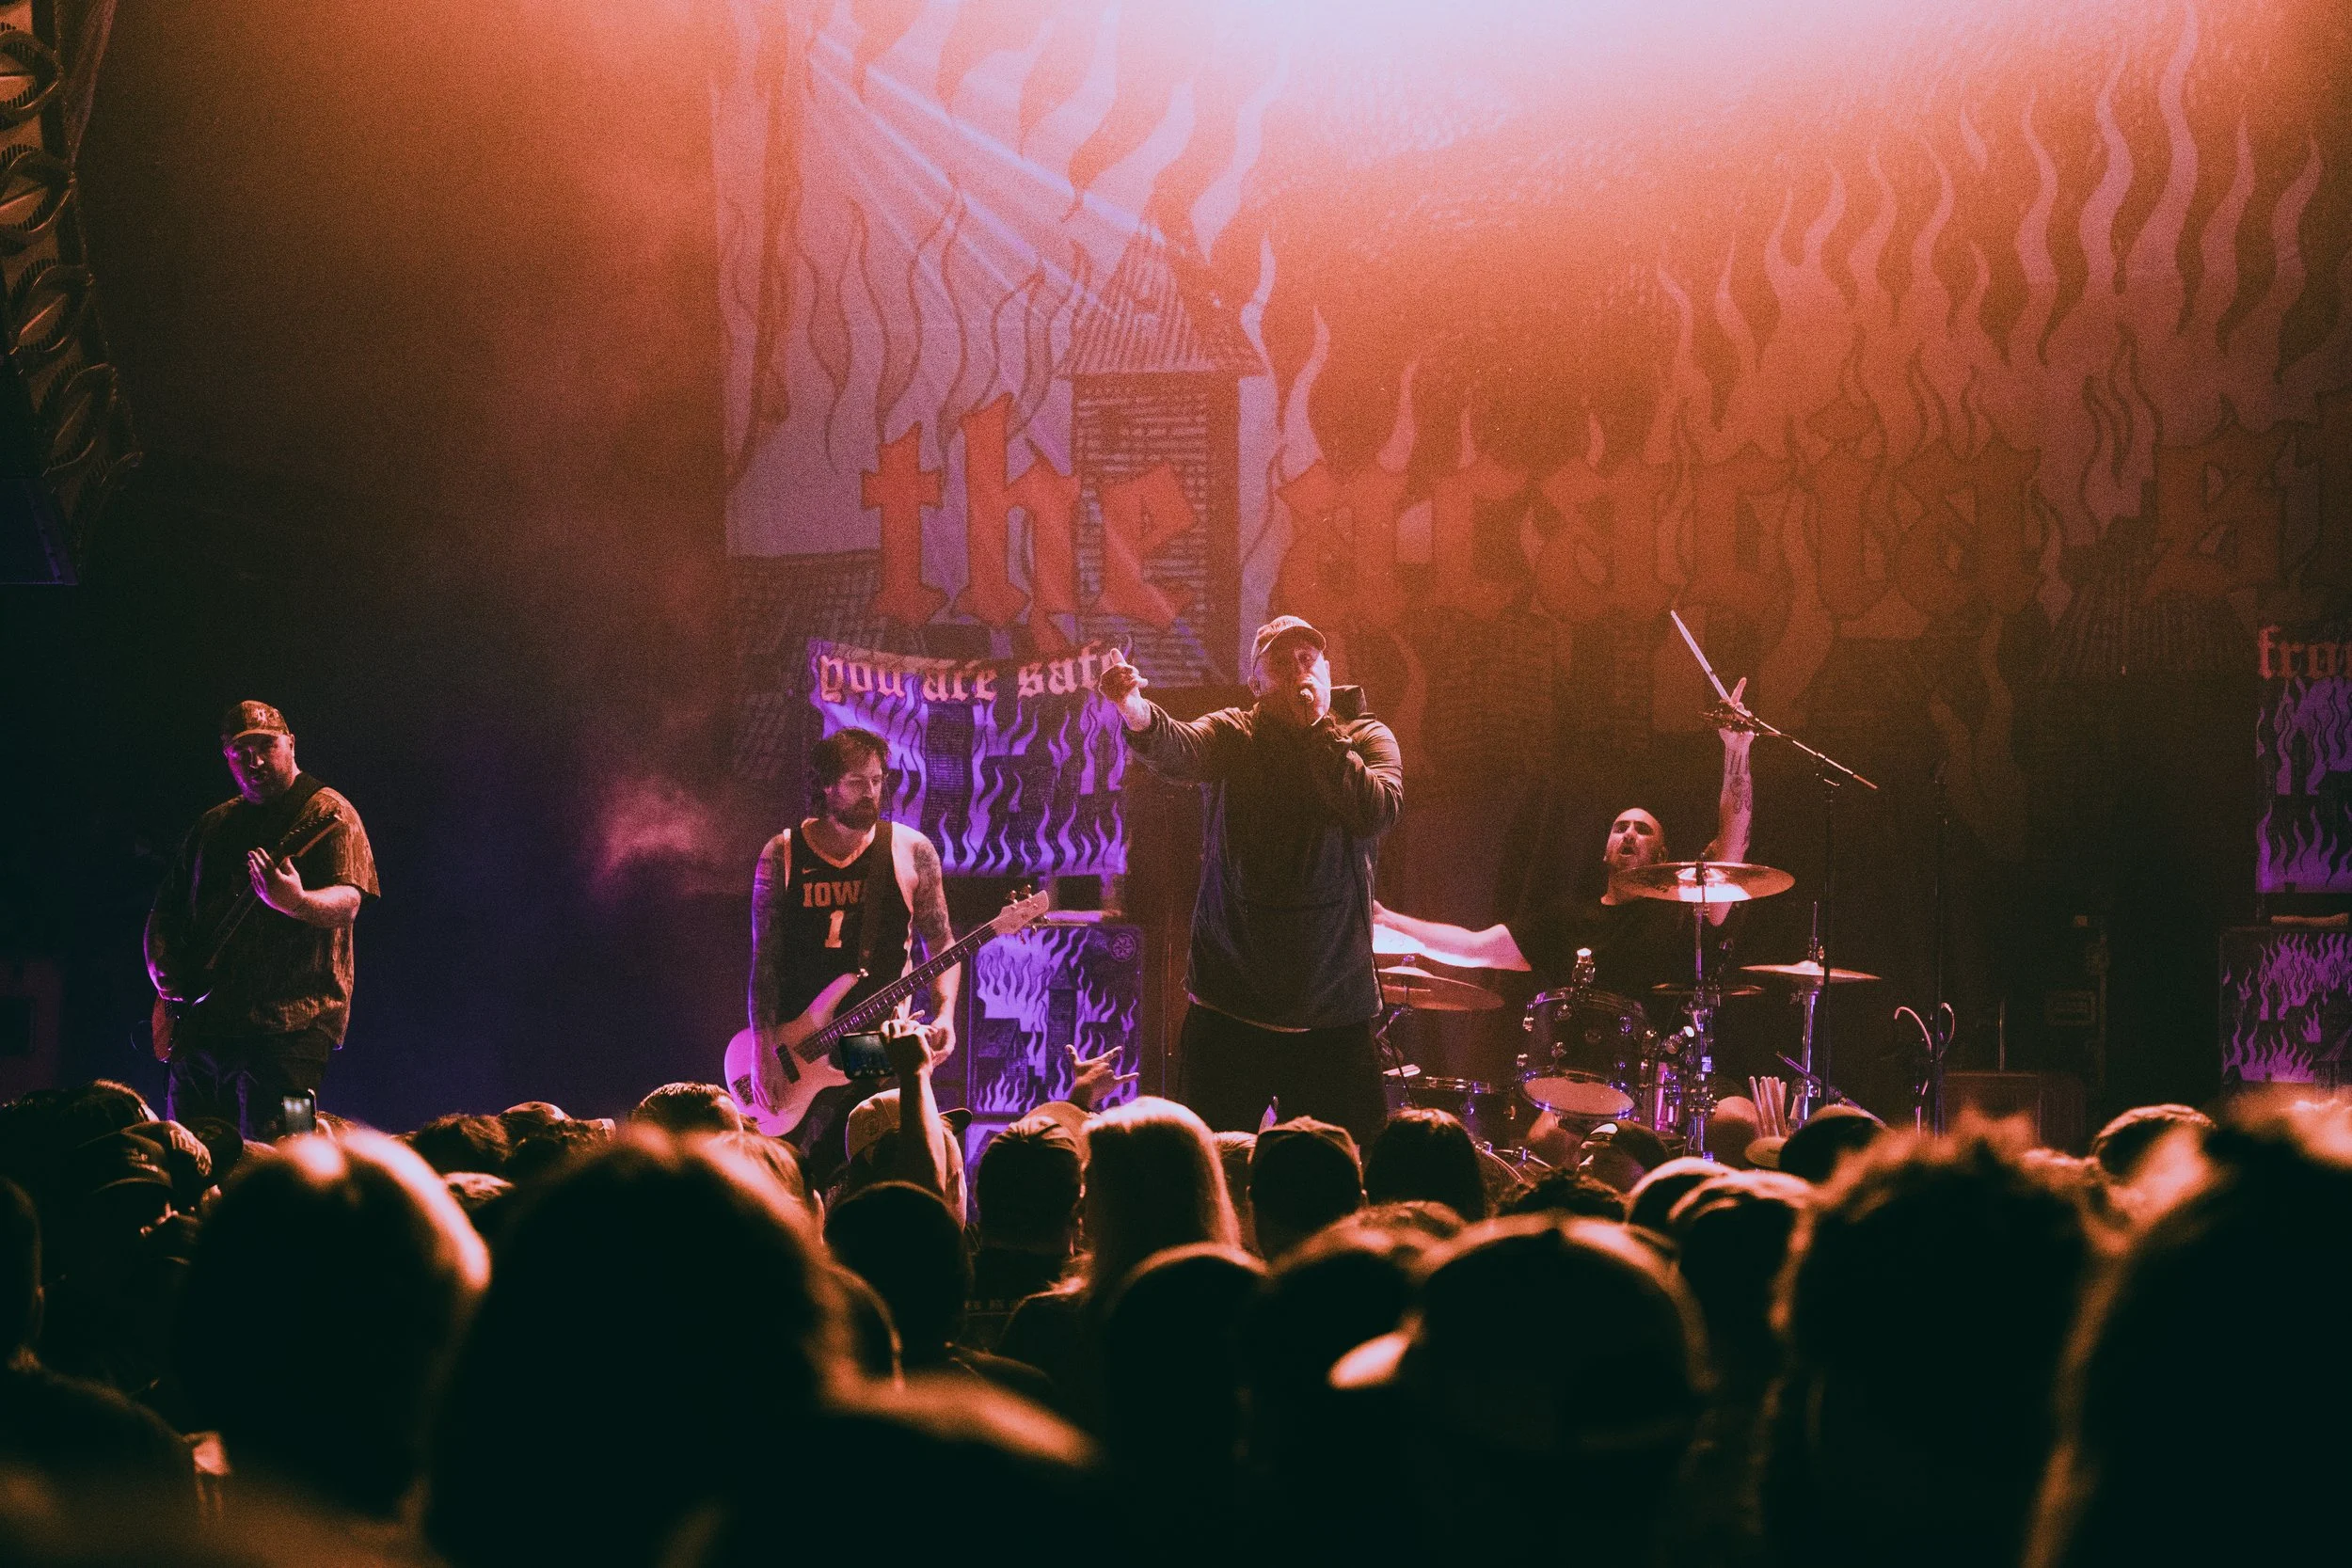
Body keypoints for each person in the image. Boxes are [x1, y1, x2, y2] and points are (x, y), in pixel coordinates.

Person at [1098, 616, 1403, 1146]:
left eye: (1308, 659)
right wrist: (1134, 709)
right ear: (1256, 686)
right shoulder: (1235, 733)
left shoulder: (1366, 737)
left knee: (1346, 1169)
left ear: (1329, 672)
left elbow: (1376, 812)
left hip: (1333, 1011)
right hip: (1231, 1007)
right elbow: (1180, 747)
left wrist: (1320, 732)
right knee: (1210, 1163)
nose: (1299, 671)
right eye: (1282, 664)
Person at [1372, 680, 1756, 1008]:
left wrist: (1736, 750)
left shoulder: (1681, 913)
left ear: (1662, 855)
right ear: (1604, 851)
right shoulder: (1566, 921)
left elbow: (1733, 842)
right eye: (1620, 827)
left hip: (1658, 1068)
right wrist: (1390, 920)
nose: (1629, 834)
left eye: (1642, 829)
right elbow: (1475, 948)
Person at [144, 702, 379, 1141]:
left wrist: (297, 902)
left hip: (292, 1029)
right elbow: (166, 907)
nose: (254, 760)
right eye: (241, 751)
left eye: (266, 745)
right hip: (203, 1027)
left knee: (290, 1150)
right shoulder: (213, 824)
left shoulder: (329, 813)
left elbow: (348, 900)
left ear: (290, 744)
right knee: (187, 1148)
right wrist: (158, 963)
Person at [745, 727, 959, 1183]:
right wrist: (762, 1051)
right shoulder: (782, 853)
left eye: (877, 781)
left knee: (876, 1170)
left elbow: (942, 944)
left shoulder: (911, 851)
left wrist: (945, 1015)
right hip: (797, 1048)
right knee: (787, 1176)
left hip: (874, 1045)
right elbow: (765, 960)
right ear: (827, 785)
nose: (871, 793)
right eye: (857, 782)